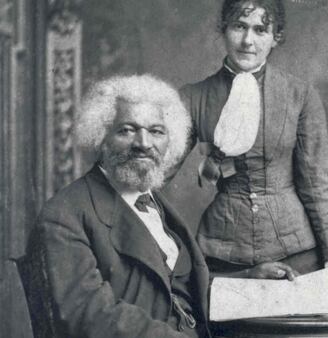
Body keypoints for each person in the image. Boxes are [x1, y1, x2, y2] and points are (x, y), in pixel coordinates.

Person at [178, 0, 328, 298]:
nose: (248, 41)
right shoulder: (193, 97)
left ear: (276, 36)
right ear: (223, 29)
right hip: (223, 256)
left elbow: (319, 189)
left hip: (298, 254)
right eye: (239, 26)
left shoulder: (299, 96)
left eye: (260, 30)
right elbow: (153, 176)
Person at [25, 75, 214, 337]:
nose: (144, 144)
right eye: (127, 130)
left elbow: (184, 283)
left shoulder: (155, 203)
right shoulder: (63, 216)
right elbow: (87, 314)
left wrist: (250, 277)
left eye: (156, 131)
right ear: (101, 137)